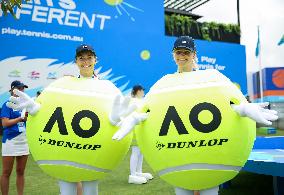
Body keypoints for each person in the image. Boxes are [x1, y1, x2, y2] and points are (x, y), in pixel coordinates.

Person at [111, 36, 278, 195]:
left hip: (210, 157)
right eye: (178, 52)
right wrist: (133, 118)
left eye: (186, 52)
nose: (182, 56)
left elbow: (226, 104)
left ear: (194, 55)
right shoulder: (164, 85)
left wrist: (243, 109)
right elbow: (150, 113)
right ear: (173, 55)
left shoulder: (211, 79)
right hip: (178, 160)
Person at [7, 44, 100, 195]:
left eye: (89, 57)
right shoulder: (66, 84)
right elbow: (56, 108)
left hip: (93, 145)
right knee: (67, 190)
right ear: (76, 61)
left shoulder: (105, 87)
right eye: (81, 58)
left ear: (96, 60)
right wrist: (37, 109)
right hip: (66, 142)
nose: (85, 62)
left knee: (91, 190)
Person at [0, 80, 29, 195]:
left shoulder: (25, 104)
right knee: (6, 172)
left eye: (23, 89)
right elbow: (5, 124)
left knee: (21, 171)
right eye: (19, 88)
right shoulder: (7, 104)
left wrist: (26, 119)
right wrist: (19, 119)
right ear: (13, 90)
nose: (22, 91)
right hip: (10, 141)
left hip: (23, 140)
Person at [128, 85, 153, 184]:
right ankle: (133, 174)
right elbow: (133, 116)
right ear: (138, 91)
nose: (143, 92)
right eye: (142, 90)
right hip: (135, 131)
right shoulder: (132, 102)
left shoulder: (142, 101)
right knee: (136, 152)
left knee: (141, 152)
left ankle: (138, 172)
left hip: (141, 131)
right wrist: (144, 116)